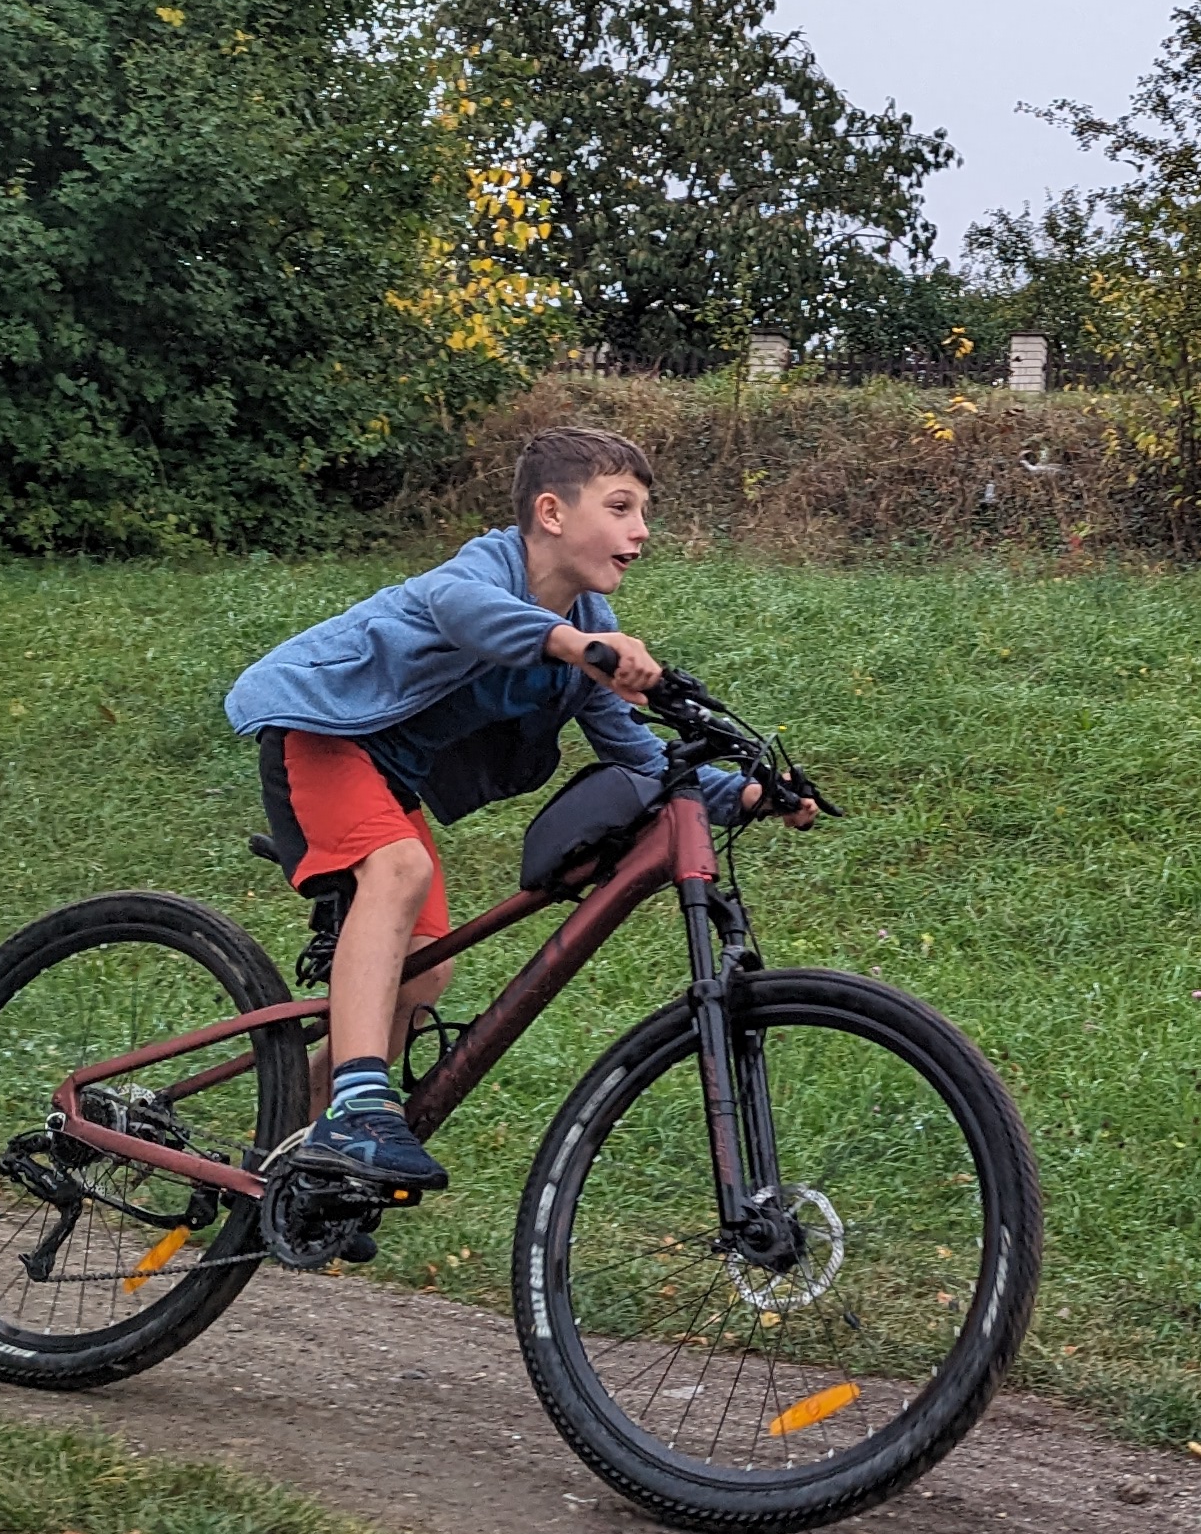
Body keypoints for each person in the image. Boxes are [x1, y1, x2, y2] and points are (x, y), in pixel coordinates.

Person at [224, 425, 795, 1205]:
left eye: (644, 512)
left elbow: (640, 755)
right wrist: (574, 643)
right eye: (620, 507)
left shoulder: (586, 634)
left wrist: (754, 794)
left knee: (426, 971)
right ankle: (358, 1109)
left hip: (387, 780)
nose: (641, 530)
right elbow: (464, 609)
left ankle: (300, 1156)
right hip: (319, 732)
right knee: (399, 869)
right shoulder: (489, 570)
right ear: (551, 513)